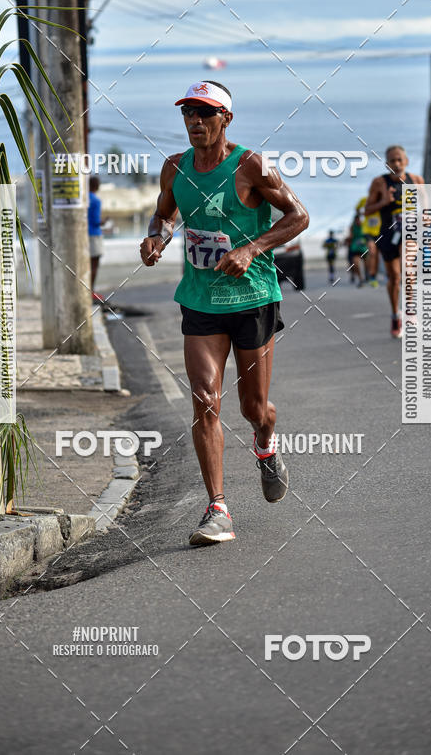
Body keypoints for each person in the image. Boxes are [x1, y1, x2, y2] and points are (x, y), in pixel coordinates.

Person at [139, 80, 309, 546]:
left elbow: (299, 216)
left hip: (252, 298)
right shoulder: (174, 167)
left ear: (226, 118)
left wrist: (253, 248)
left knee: (254, 408)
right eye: (188, 114)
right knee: (204, 398)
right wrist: (159, 236)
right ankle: (217, 508)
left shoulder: (252, 164)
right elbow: (165, 214)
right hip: (200, 299)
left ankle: (265, 444)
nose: (195, 122)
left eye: (205, 113)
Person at [364, 146, 424, 338]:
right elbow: (367, 210)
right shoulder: (380, 182)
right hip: (388, 233)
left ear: (406, 160)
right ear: (387, 163)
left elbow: (427, 207)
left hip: (410, 231)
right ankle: (394, 314)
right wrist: (384, 202)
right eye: (392, 160)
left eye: (399, 159)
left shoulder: (416, 181)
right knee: (395, 277)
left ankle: (410, 311)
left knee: (408, 268)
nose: (396, 164)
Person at [357, 195, 381, 286]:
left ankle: (373, 274)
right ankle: (371, 276)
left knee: (377, 255)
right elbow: (357, 209)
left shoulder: (382, 200)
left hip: (379, 231)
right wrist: (361, 216)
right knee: (372, 251)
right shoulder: (364, 200)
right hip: (367, 231)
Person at [88, 175, 105, 303]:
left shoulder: (84, 198)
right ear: (96, 186)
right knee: (94, 265)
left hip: (85, 234)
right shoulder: (96, 200)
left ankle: (87, 290)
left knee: (87, 265)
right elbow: (95, 221)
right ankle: (91, 292)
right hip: (94, 234)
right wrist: (105, 222)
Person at [344, 212, 368, 287]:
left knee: (366, 264)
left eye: (358, 220)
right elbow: (351, 236)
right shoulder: (352, 227)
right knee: (355, 264)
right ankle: (360, 279)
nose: (358, 221)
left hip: (364, 248)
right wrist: (347, 240)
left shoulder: (364, 225)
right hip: (355, 248)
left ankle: (367, 275)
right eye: (356, 220)